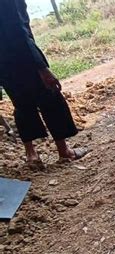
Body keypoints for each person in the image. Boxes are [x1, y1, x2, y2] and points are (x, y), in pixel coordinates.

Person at [0, 0, 87, 167]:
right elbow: (19, 31)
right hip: (24, 59)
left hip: (4, 66)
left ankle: (31, 155)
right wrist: (42, 68)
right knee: (50, 96)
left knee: (21, 104)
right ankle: (64, 152)